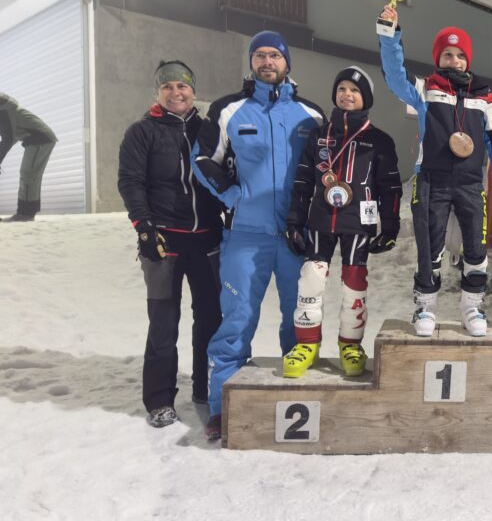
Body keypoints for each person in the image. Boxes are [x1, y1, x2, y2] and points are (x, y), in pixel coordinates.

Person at [192, 31, 324, 441]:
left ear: (287, 63)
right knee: (237, 321)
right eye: (260, 55)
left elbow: (329, 171)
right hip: (246, 236)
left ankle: (298, 399)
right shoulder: (229, 110)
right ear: (251, 62)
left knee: (298, 322)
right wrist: (235, 195)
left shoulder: (312, 115)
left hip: (295, 238)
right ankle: (223, 407)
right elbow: (203, 159)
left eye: (274, 55)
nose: (267, 62)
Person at [378, 5, 492, 338]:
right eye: (448, 54)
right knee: (430, 247)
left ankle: (472, 306)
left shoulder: (484, 96)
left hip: (470, 183)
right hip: (432, 181)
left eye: (460, 55)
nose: (454, 60)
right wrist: (390, 35)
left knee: (476, 248)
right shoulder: (426, 89)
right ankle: (425, 306)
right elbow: (395, 76)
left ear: (468, 60)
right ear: (438, 58)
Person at [118, 60, 224, 428]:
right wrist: (144, 228)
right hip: (165, 241)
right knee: (164, 323)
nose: (175, 92)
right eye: (168, 87)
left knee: (210, 318)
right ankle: (159, 398)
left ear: (193, 90)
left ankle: (205, 386)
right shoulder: (142, 132)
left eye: (182, 86)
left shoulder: (208, 129)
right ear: (158, 92)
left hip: (207, 238)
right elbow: (130, 181)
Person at [281, 66, 402, 378]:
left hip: (358, 223)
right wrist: (294, 222)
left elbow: (390, 188)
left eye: (355, 90)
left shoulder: (379, 140)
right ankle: (307, 344)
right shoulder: (319, 136)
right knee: (311, 278)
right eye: (342, 89)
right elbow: (303, 182)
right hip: (321, 220)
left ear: (366, 99)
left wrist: (390, 227)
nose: (347, 94)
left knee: (354, 281)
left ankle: (350, 344)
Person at [0, 93, 57, 221]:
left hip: (41, 139)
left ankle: (25, 214)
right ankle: (27, 213)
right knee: (30, 175)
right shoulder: (7, 111)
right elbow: (11, 136)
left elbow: (8, 139)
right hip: (38, 139)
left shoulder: (4, 113)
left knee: (29, 175)